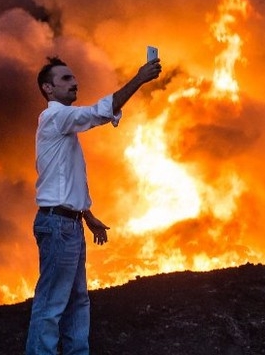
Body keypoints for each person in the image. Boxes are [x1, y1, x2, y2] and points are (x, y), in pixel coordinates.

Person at [26, 54, 162, 355]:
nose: (74, 82)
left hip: (68, 225)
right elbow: (100, 112)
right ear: (48, 89)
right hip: (58, 226)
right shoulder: (54, 117)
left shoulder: (63, 128)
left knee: (77, 302)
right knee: (51, 304)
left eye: (74, 77)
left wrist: (87, 215)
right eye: (65, 79)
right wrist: (139, 78)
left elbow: (63, 178)